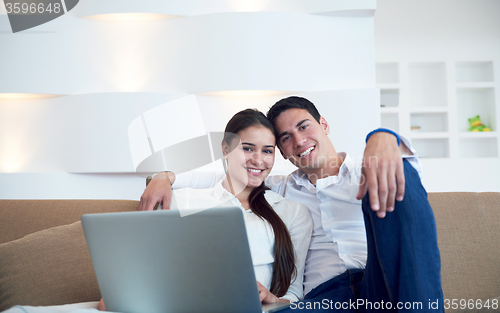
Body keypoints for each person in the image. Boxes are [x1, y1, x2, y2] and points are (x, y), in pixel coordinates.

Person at [140, 96, 444, 312]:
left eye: (304, 126)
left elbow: (403, 187)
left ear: (324, 124)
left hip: (382, 283)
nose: (298, 140)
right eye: (285, 138)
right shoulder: (280, 189)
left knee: (395, 168)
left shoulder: (369, 168)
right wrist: (165, 177)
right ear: (282, 153)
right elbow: (225, 173)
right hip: (326, 297)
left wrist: (382, 136)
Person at [97, 109, 313, 311]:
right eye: (247, 148)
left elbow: (294, 294)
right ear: (226, 149)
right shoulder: (184, 201)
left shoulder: (292, 213)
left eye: (267, 151)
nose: (258, 159)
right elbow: (139, 278)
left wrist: (272, 298)